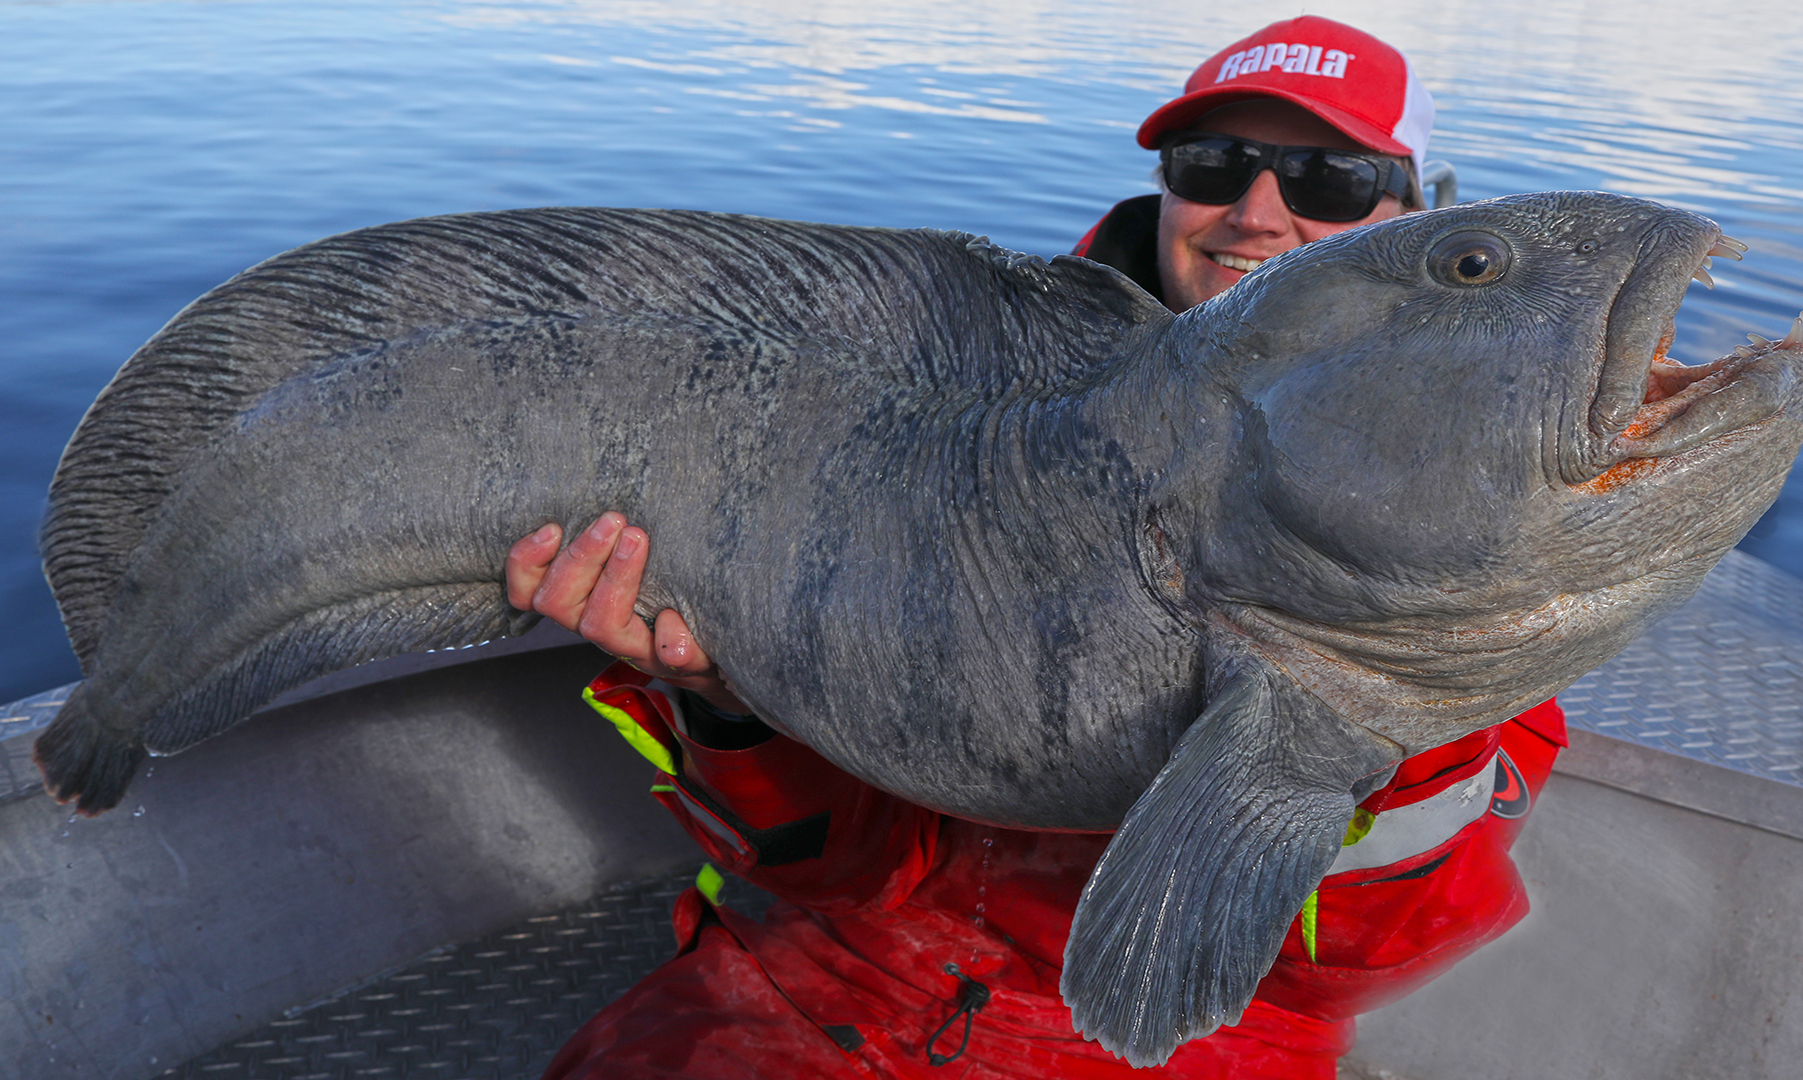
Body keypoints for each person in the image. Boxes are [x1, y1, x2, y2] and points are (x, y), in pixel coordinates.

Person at [515, 16, 1566, 1079]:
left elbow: (1348, 965)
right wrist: (730, 704)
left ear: (1416, 214)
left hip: (1184, 1047)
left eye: (1330, 178)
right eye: (1212, 164)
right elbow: (838, 874)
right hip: (820, 982)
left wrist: (1389, 712)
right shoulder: (959, 410)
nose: (1255, 211)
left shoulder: (1484, 524)